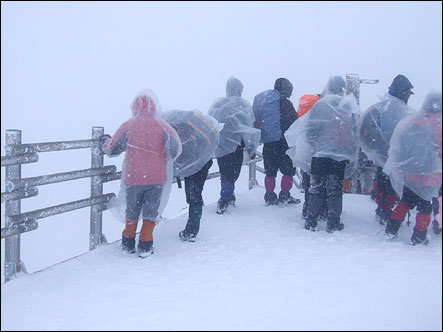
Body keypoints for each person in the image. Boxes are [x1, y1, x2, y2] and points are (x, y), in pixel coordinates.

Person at [100, 90, 181, 257]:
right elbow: (175, 148)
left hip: (134, 176)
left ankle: (128, 242)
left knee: (132, 210)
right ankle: (145, 244)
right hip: (157, 178)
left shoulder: (128, 125)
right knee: (151, 212)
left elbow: (112, 149)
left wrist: (104, 142)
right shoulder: (163, 126)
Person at [288, 75, 360, 232]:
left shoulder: (320, 105)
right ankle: (333, 222)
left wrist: (317, 146)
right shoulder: (347, 106)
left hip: (320, 154)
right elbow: (354, 132)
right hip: (340, 156)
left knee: (316, 186)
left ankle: (311, 220)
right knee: (335, 189)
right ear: (343, 89)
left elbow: (309, 130)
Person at [383, 91, 442, 245]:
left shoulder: (411, 121)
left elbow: (397, 145)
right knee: (425, 207)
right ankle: (419, 236)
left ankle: (391, 229)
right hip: (429, 176)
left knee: (405, 202)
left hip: (409, 173)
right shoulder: (439, 125)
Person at [359, 74, 414, 225]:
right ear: (404, 94)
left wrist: (373, 150)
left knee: (382, 184)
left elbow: (363, 131)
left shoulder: (379, 108)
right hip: (396, 158)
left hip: (380, 156)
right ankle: (387, 211)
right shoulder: (406, 113)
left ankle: (382, 208)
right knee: (392, 186)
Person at [162, 109, 221, 242]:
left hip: (194, 160)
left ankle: (191, 231)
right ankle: (192, 228)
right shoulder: (188, 122)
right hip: (204, 160)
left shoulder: (172, 126)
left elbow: (173, 148)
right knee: (195, 194)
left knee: (193, 196)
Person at [208, 77, 261, 214]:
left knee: (225, 172)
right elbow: (250, 125)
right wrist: (251, 146)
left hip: (221, 145)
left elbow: (210, 123)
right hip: (238, 144)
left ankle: (227, 196)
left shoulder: (217, 104)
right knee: (232, 173)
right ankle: (224, 198)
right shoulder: (244, 105)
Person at [261, 78, 301, 205]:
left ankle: (269, 195)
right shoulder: (287, 105)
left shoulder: (267, 104)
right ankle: (284, 194)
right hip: (284, 143)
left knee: (270, 171)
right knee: (288, 170)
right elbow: (295, 123)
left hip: (269, 143)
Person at [295, 94, 326, 219]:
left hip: (305, 154)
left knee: (308, 182)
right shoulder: (318, 117)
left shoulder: (301, 115)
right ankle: (320, 209)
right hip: (317, 154)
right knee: (318, 183)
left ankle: (307, 207)